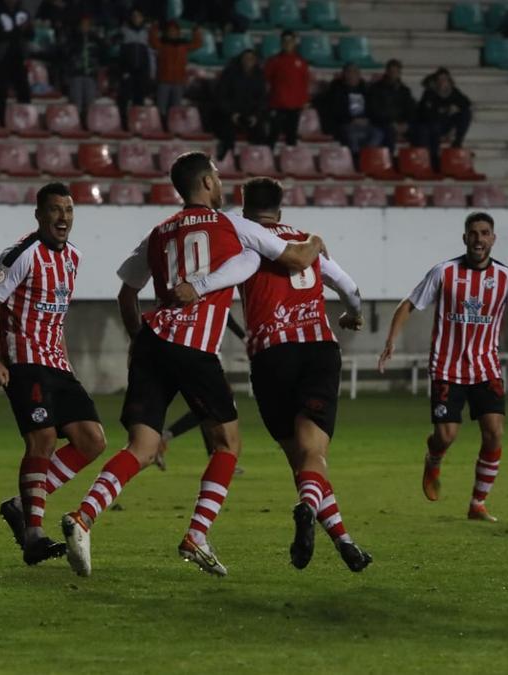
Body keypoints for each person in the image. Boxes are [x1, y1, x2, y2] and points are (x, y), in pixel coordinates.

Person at [59, 152, 327, 578]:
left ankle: (83, 516)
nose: (222, 184)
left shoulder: (159, 232)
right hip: (193, 347)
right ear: (205, 182)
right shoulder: (233, 225)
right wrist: (315, 241)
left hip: (152, 341)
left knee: (141, 449)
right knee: (228, 444)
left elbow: (126, 293)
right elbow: (295, 259)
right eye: (218, 177)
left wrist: (136, 341)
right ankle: (196, 535)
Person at [172, 177, 373, 572]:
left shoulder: (241, 237)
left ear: (246, 208)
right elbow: (349, 287)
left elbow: (227, 273)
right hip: (317, 349)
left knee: (299, 459)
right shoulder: (303, 240)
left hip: (270, 357)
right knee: (313, 454)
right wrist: (353, 314)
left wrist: (196, 287)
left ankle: (344, 540)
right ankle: (320, 520)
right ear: (280, 209)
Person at [0, 182, 109, 566]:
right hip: (23, 360)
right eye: (55, 210)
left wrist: (66, 363)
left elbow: (57, 318)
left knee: (92, 441)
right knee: (43, 437)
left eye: (68, 210)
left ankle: (21, 504)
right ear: (39, 215)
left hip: (57, 364)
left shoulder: (74, 258)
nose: (63, 217)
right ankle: (33, 533)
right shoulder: (22, 253)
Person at [378, 212, 508, 523]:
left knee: (494, 432)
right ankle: (434, 456)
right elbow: (408, 304)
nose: (479, 239)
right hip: (446, 367)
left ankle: (477, 503)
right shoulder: (445, 272)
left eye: (485, 233)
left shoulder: (506, 278)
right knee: (446, 435)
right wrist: (391, 341)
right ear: (465, 238)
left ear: (492, 238)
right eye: (473, 233)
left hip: (486, 368)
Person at [152, 315, 247, 474]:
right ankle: (166, 436)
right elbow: (226, 316)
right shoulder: (207, 296)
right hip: (203, 350)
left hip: (201, 349)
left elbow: (225, 316)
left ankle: (214, 455)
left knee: (206, 407)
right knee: (216, 405)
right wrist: (244, 337)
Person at [413, 68, 472, 171]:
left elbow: (466, 102)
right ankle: (434, 158)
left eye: (445, 79)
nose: (442, 82)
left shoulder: (453, 92)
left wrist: (456, 107)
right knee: (433, 126)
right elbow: (425, 113)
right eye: (440, 79)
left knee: (465, 113)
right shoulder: (430, 93)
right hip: (433, 125)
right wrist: (443, 111)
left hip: (447, 124)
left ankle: (457, 142)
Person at [213, 50, 268, 159]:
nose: (249, 61)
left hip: (251, 114)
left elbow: (262, 99)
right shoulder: (229, 74)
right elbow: (221, 97)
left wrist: (256, 116)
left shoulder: (259, 76)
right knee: (227, 134)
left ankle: (256, 161)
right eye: (246, 58)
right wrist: (232, 113)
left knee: (261, 134)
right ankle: (227, 159)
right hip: (231, 114)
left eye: (251, 58)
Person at [327, 63, 384, 162]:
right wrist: (352, 120)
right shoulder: (337, 90)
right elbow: (335, 111)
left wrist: (367, 119)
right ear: (344, 74)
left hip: (365, 123)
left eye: (356, 72)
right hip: (346, 123)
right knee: (352, 135)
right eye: (350, 72)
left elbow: (372, 109)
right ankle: (356, 160)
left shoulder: (366, 90)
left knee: (378, 133)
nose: (353, 75)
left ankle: (366, 158)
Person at [264, 30, 310, 147]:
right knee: (273, 135)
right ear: (281, 43)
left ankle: (291, 162)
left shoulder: (301, 62)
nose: (287, 44)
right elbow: (265, 81)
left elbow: (304, 83)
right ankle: (267, 160)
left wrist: (304, 101)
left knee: (291, 136)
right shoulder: (274, 61)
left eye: (290, 41)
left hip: (294, 106)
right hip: (277, 105)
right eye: (284, 41)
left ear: (294, 42)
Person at [59, 15, 108, 122]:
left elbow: (103, 54)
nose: (85, 27)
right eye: (83, 24)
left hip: (91, 75)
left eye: (87, 25)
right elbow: (65, 54)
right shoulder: (72, 38)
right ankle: (76, 124)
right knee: (76, 104)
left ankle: (88, 125)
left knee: (90, 104)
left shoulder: (96, 39)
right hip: (76, 74)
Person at [150, 20, 201, 122]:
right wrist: (154, 28)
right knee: (161, 108)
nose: (172, 33)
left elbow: (197, 43)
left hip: (178, 81)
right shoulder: (162, 44)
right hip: (164, 81)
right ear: (166, 32)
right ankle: (162, 127)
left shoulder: (183, 45)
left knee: (175, 109)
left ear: (178, 32)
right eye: (169, 31)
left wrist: (196, 31)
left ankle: (173, 126)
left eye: (174, 31)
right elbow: (152, 40)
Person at [0, 0, 33, 124]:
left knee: (23, 89)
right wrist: (17, 30)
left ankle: (25, 119)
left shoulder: (24, 13)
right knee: (2, 89)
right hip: (3, 57)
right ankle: (1, 119)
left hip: (19, 56)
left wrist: (27, 28)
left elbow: (31, 35)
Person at [367, 59, 417, 155]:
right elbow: (375, 110)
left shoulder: (405, 90)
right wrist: (391, 123)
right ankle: (389, 161)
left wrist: (406, 123)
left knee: (420, 131)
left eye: (396, 72)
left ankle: (415, 162)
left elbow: (411, 110)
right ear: (387, 72)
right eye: (391, 71)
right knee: (388, 132)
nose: (393, 74)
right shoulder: (376, 89)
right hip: (383, 123)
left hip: (402, 124)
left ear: (399, 73)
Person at [115, 9, 152, 120]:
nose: (136, 18)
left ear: (142, 18)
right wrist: (123, 70)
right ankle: (123, 121)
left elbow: (149, 54)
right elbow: (120, 52)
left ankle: (137, 121)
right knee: (124, 97)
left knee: (139, 97)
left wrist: (148, 72)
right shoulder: (124, 31)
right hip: (128, 70)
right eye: (134, 16)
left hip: (141, 70)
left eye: (139, 16)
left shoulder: (146, 32)